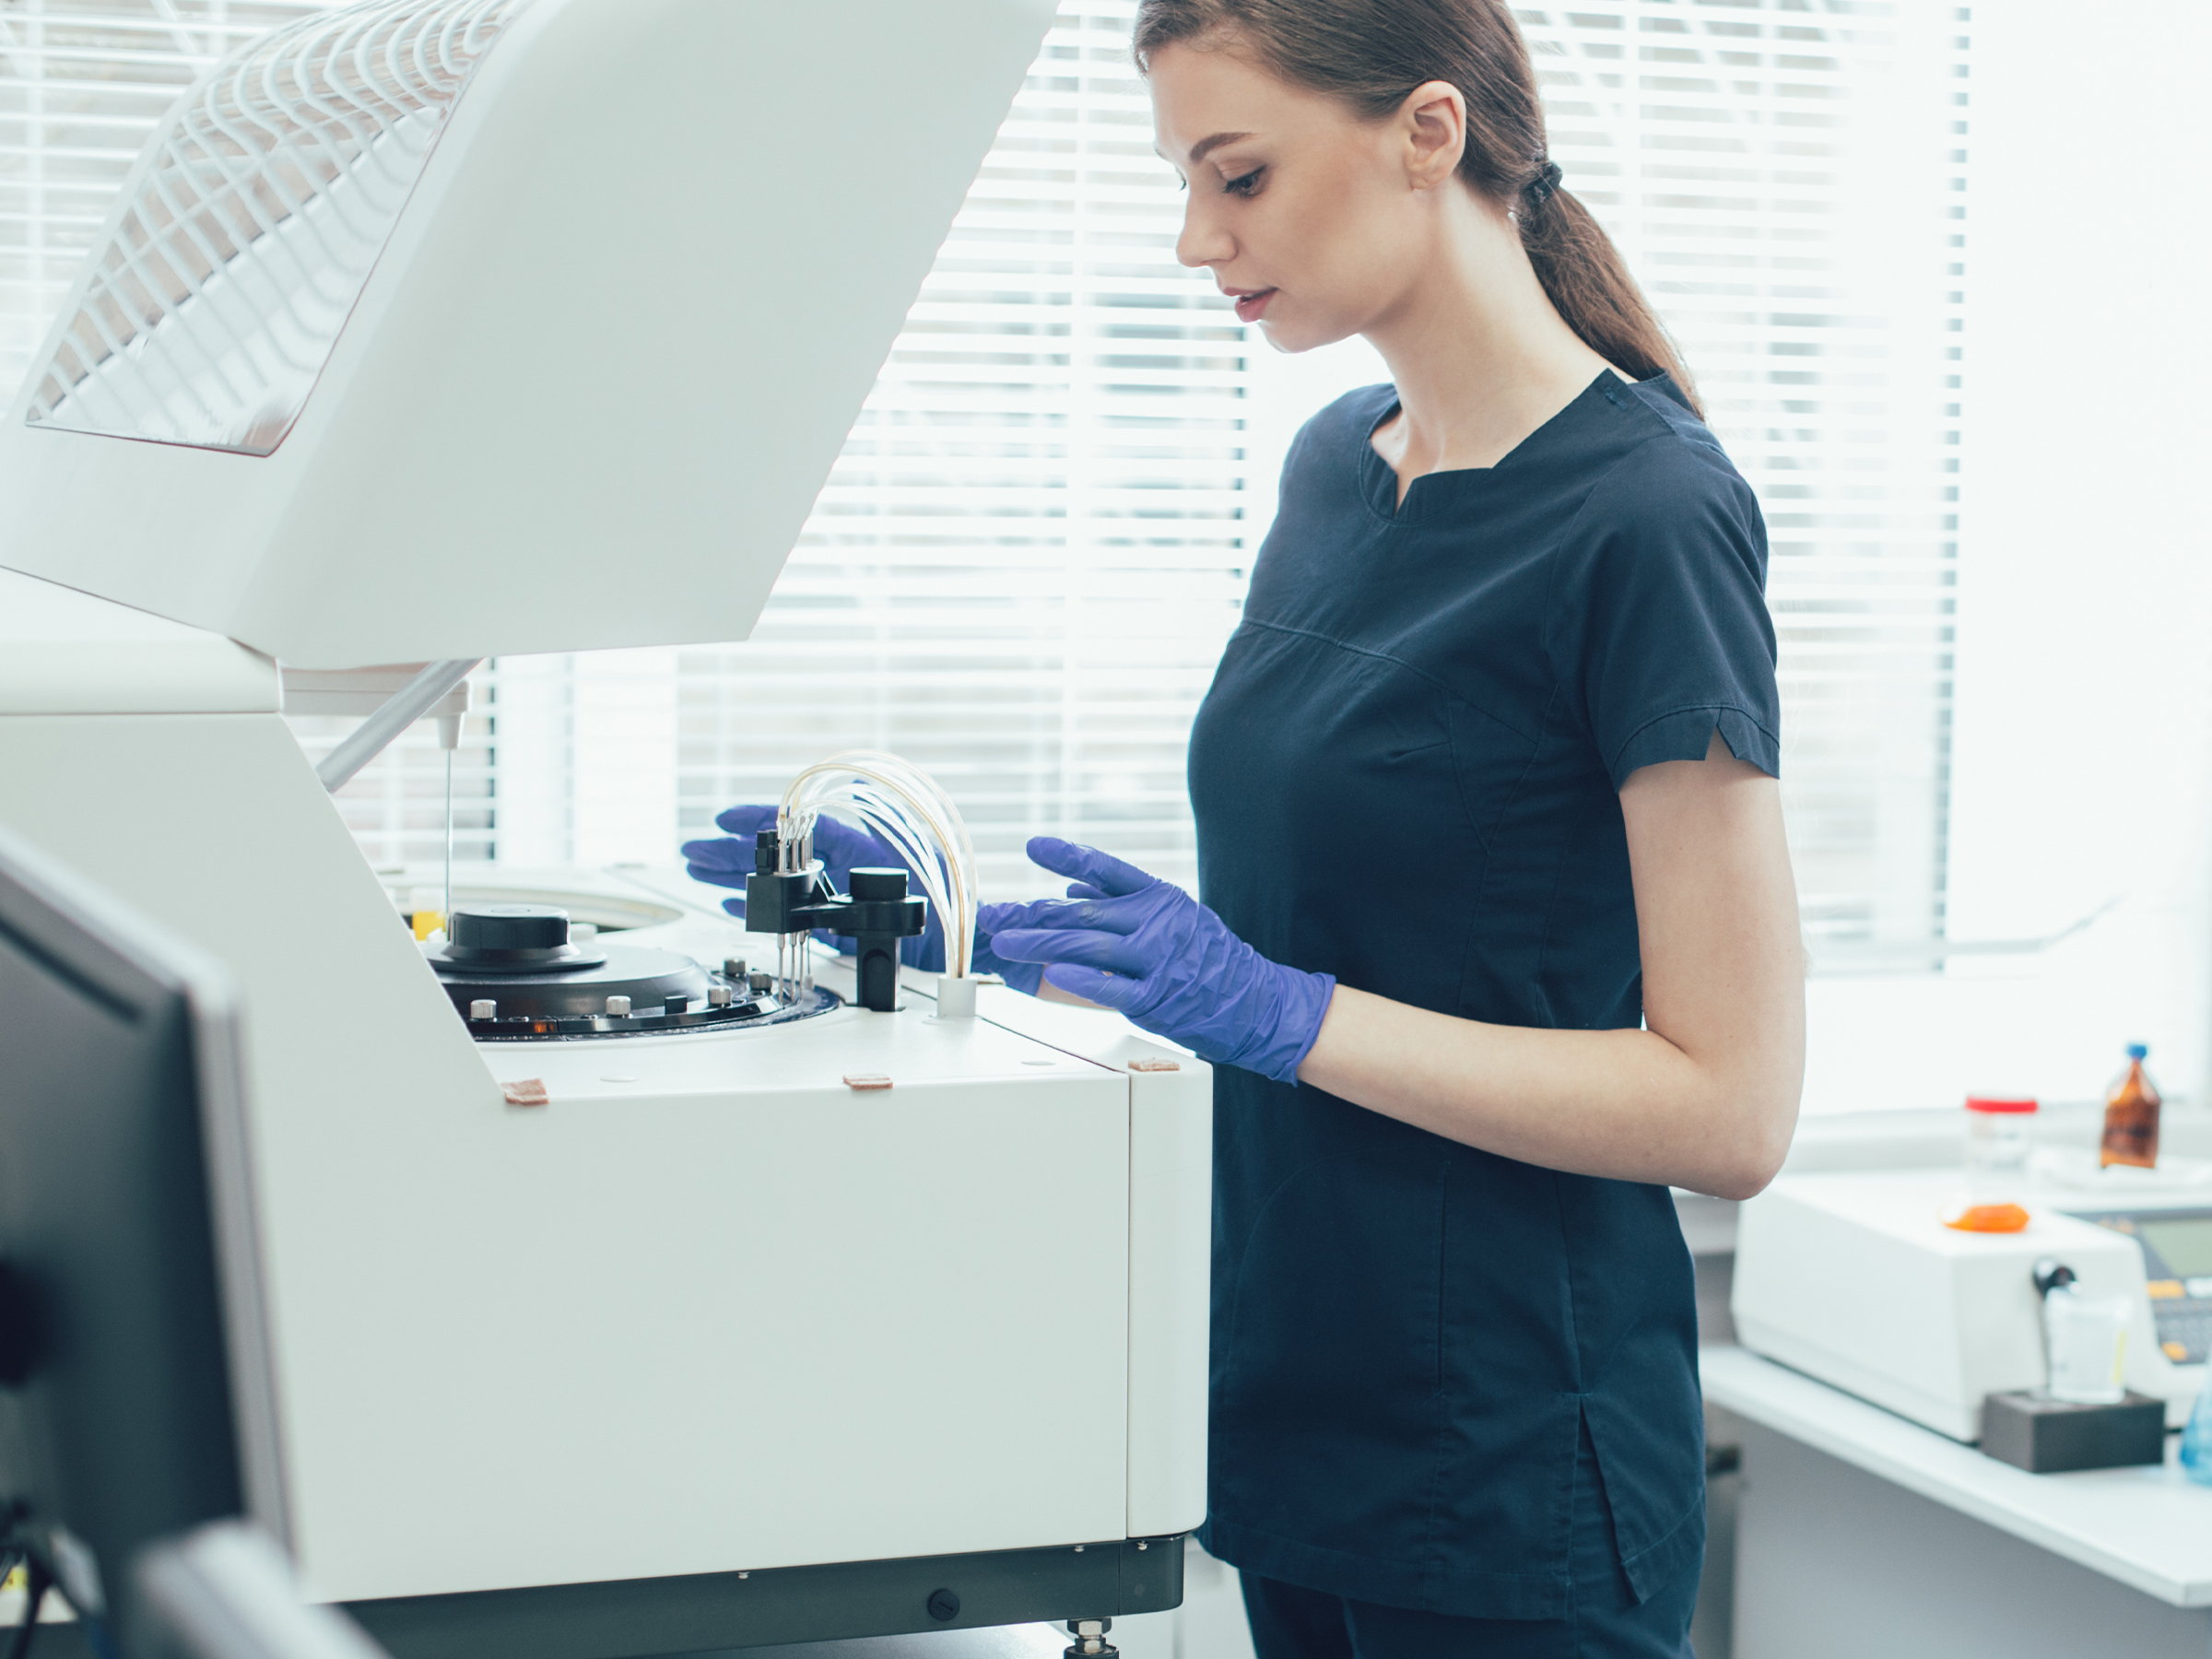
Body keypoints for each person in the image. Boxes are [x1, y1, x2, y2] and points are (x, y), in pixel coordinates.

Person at [688, 2, 1804, 1652]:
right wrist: (968, 943)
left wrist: (1277, 1013)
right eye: (1185, 179)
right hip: (1291, 1395)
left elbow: (1730, 1109)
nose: (1196, 238)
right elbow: (1324, 936)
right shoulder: (1334, 470)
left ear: (1430, 134)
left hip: (1510, 1455)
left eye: (1241, 175)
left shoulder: (1644, 517)